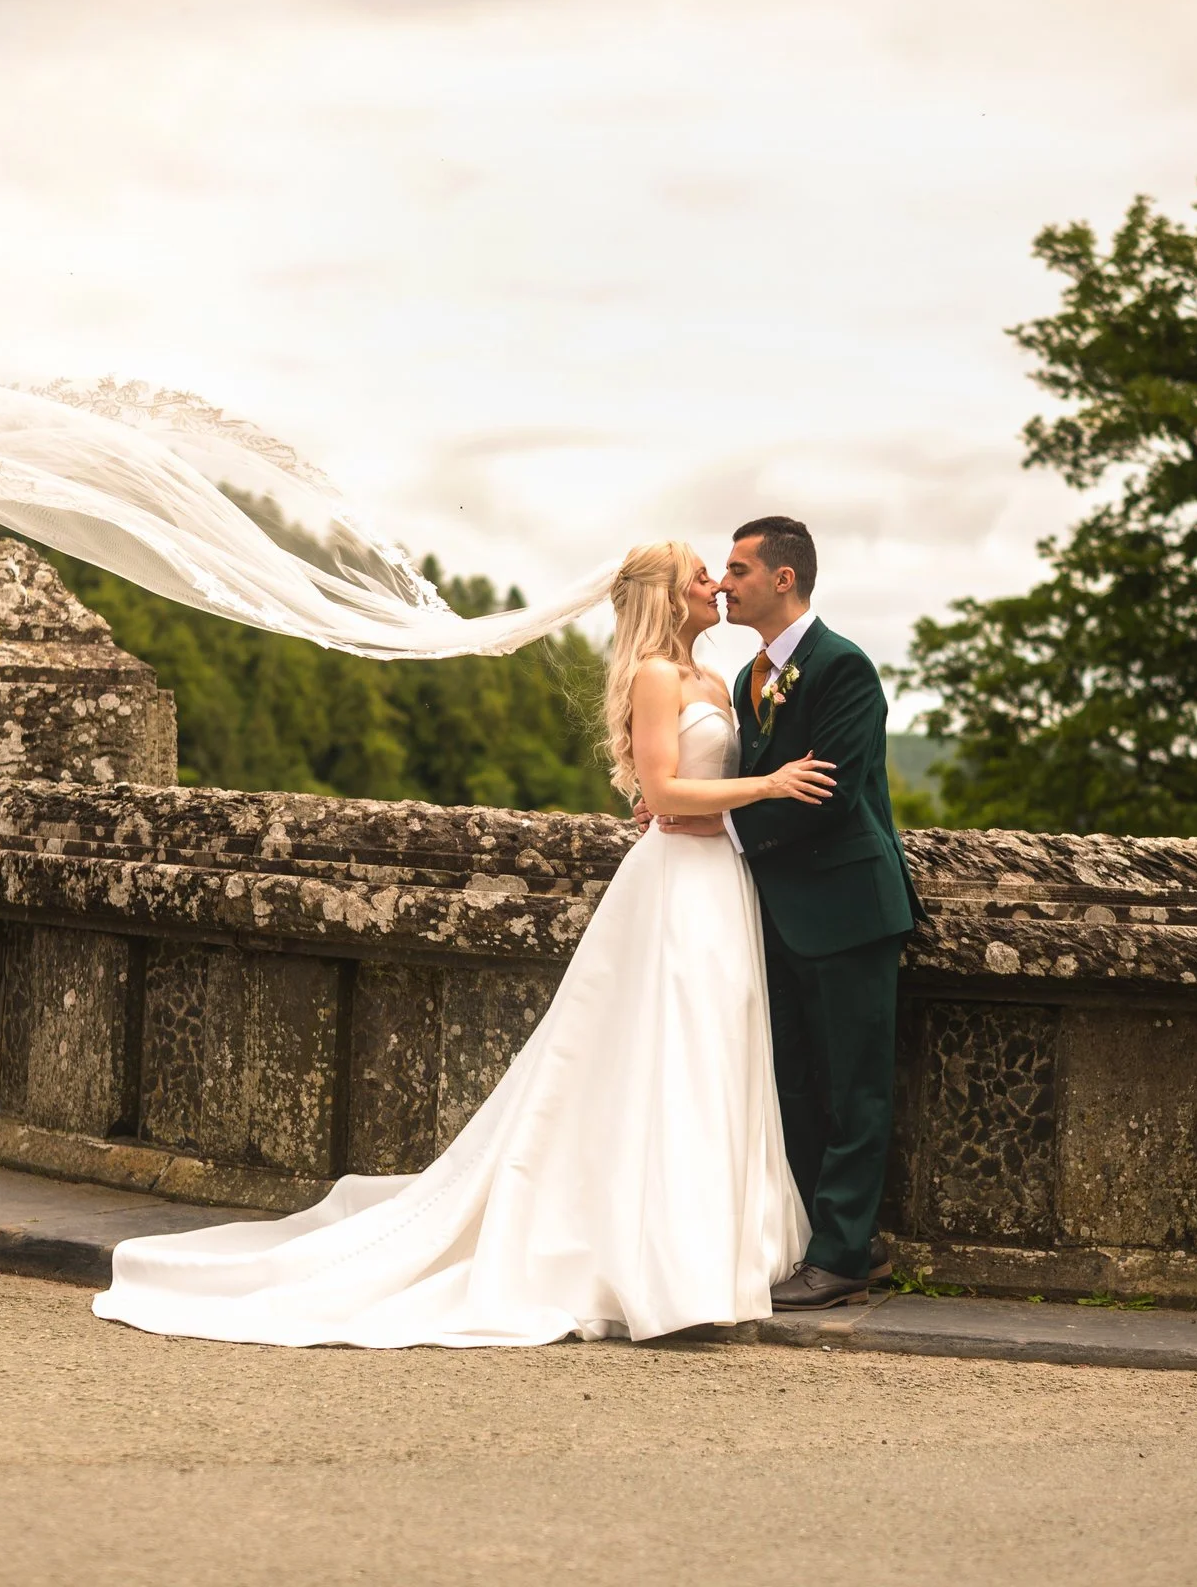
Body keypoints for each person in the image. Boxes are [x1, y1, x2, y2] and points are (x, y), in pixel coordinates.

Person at [88, 542, 837, 1346]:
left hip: (719, 883)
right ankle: (660, 1261)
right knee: (665, 1054)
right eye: (697, 573)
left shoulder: (716, 681)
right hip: (671, 890)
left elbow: (690, 796)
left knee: (714, 1052)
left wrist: (719, 810)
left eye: (715, 571)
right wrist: (761, 787)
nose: (713, 583)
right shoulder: (657, 675)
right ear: (662, 594)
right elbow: (660, 789)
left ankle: (716, 1250)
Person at [648, 517, 925, 1310]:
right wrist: (682, 802)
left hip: (849, 907)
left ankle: (839, 1258)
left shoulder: (843, 669)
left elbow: (829, 794)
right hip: (774, 912)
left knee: (856, 1087)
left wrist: (720, 824)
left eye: (737, 570)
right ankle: (837, 1240)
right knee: (794, 1085)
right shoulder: (747, 681)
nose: (723, 584)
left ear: (784, 579)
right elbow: (746, 777)